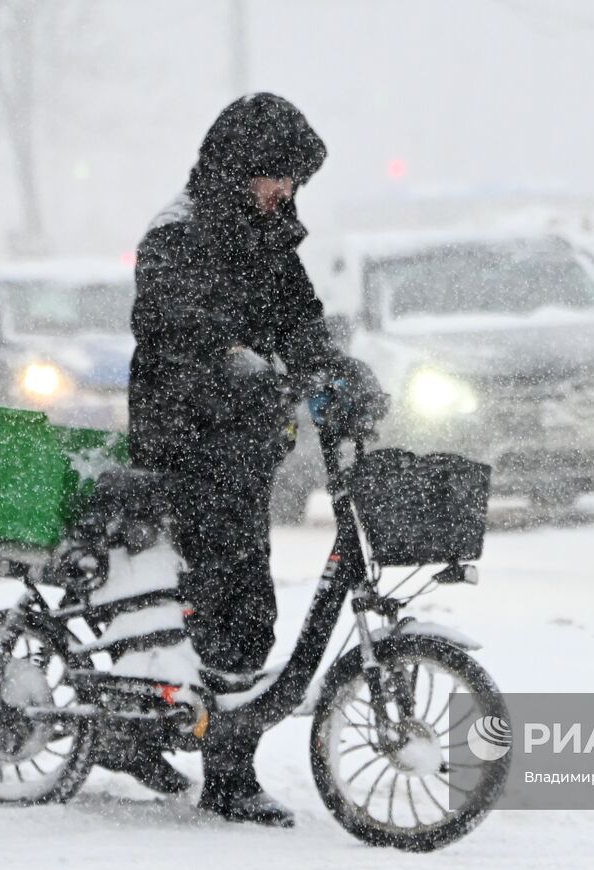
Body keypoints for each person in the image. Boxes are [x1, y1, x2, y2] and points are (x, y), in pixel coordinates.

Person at [117, 93, 370, 827]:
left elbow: (298, 319)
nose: (285, 192)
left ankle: (176, 743)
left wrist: (335, 370)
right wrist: (231, 363)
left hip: (243, 446)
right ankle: (218, 769)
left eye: (293, 182)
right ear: (239, 170)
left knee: (233, 602)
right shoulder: (177, 235)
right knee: (215, 601)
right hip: (185, 441)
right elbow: (171, 329)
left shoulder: (265, 236)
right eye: (277, 177)